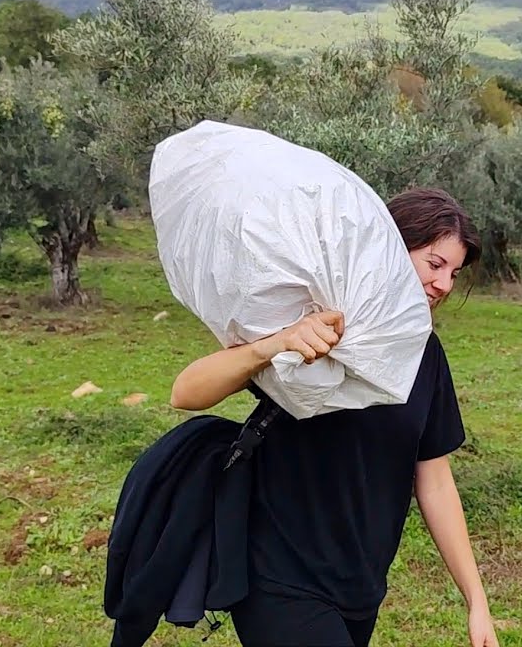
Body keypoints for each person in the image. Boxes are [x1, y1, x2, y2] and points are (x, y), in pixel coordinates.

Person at [168, 187, 499, 647]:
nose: (444, 284)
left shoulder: (425, 354)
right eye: (434, 263)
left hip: (360, 587)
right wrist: (274, 344)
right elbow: (186, 391)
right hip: (279, 575)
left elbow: (435, 479)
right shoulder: (316, 325)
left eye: (455, 273)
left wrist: (476, 600)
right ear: (386, 249)